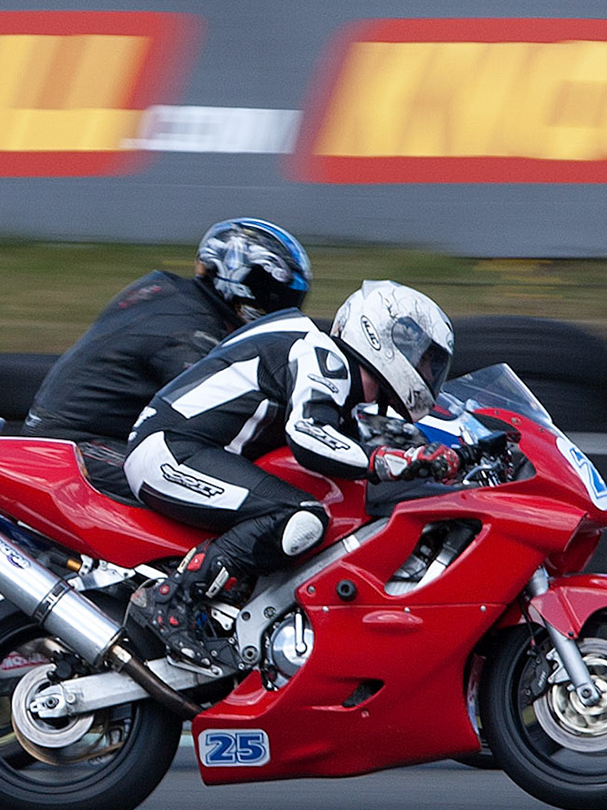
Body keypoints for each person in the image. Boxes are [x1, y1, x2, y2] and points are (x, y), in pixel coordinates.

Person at [123, 280, 461, 669]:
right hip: (169, 450)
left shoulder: (336, 378)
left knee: (326, 510)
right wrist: (390, 460)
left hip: (189, 449)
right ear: (382, 337)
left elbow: (349, 463)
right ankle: (170, 600)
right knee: (300, 516)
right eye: (423, 359)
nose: (427, 372)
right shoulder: (322, 355)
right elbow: (308, 437)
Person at [23, 218, 313, 447]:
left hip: (74, 433)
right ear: (242, 283)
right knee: (194, 485)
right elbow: (217, 407)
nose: (284, 308)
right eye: (278, 296)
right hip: (77, 444)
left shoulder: (167, 291)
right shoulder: (189, 332)